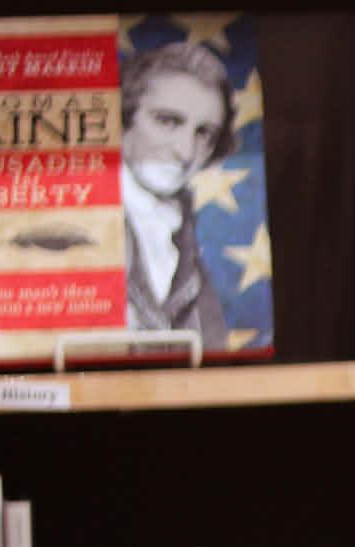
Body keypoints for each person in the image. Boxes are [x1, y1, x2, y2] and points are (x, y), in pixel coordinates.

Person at [119, 41, 237, 349]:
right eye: (167, 121)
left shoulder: (184, 239)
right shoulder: (88, 222)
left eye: (203, 133)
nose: (186, 152)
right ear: (124, 117)